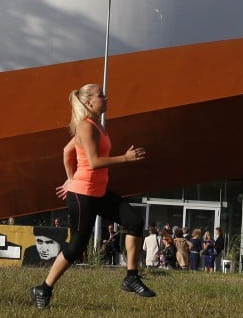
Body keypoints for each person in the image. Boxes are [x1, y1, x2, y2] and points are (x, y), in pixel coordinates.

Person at [28, 84, 155, 310]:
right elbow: (94, 162)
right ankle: (44, 288)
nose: (106, 98)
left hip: (99, 192)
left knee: (134, 221)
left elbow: (68, 151)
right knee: (77, 246)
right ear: (88, 102)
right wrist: (124, 159)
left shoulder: (97, 126)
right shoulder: (86, 127)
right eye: (101, 96)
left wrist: (70, 177)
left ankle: (131, 277)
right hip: (83, 196)